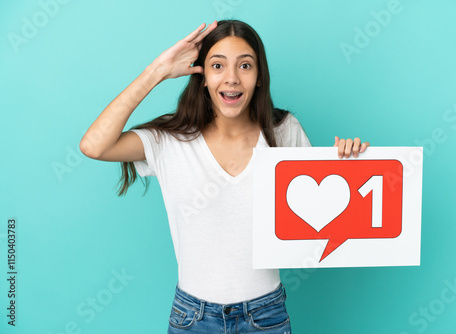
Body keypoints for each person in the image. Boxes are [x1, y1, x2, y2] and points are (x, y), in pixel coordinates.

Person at [80, 19, 369, 333]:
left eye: (245, 66)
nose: (231, 79)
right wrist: (157, 70)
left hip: (266, 316)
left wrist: (348, 161)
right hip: (192, 318)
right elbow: (94, 145)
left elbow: (325, 211)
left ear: (259, 77)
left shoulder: (284, 131)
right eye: (217, 65)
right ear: (202, 75)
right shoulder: (170, 140)